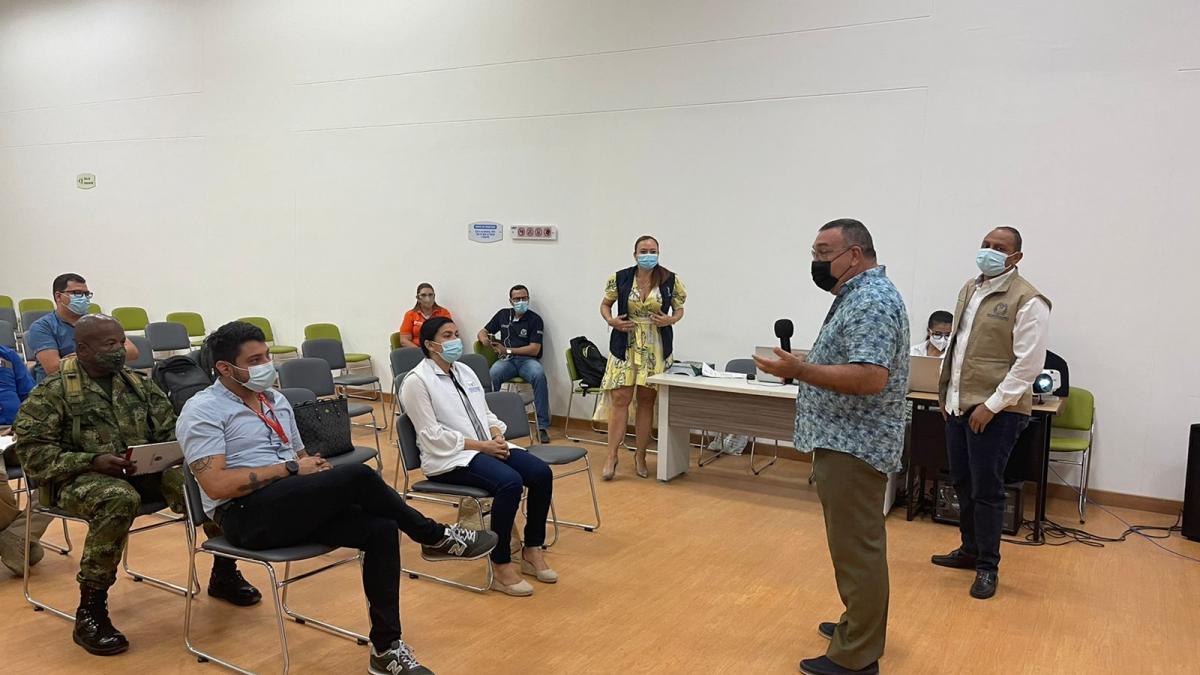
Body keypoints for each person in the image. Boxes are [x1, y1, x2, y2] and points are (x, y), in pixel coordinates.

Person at [179, 321, 498, 675]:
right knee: (359, 475)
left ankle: (386, 649)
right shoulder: (203, 410)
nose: (266, 365)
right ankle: (433, 535)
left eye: (267, 356)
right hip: (245, 517)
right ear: (225, 368)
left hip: (291, 505)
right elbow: (216, 485)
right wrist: (291, 469)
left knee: (380, 528)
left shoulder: (276, 401)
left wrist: (314, 471)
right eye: (255, 360)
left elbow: (300, 459)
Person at [12, 315, 258, 657]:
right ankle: (91, 610)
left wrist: (172, 451)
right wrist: (92, 460)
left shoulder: (138, 384)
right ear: (83, 349)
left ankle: (225, 571)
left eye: (120, 341)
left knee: (204, 482)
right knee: (118, 498)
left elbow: (170, 427)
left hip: (143, 472)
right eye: (108, 344)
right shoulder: (53, 393)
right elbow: (32, 454)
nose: (119, 349)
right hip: (76, 479)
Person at [755, 219, 909, 675]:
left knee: (857, 549)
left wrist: (801, 371)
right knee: (852, 547)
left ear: (854, 255)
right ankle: (857, 625)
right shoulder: (856, 295)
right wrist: (806, 364)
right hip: (844, 440)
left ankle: (857, 654)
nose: (816, 262)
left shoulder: (872, 300)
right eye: (815, 253)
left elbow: (870, 376)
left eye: (824, 253)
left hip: (854, 444)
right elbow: (852, 362)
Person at [933, 226, 1050, 600]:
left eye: (999, 247)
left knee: (987, 490)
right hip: (959, 405)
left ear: (1016, 257)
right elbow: (959, 346)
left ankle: (988, 567)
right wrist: (946, 392)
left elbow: (1028, 365)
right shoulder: (970, 288)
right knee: (962, 482)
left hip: (997, 411)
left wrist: (991, 405)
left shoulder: (1029, 300)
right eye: (986, 244)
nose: (989, 251)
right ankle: (969, 550)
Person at [401, 316, 556, 597]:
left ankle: (532, 550)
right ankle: (501, 565)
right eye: (447, 336)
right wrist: (482, 447)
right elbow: (431, 436)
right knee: (509, 482)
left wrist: (496, 434)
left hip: (485, 447)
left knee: (541, 473)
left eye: (456, 333)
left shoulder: (464, 371)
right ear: (430, 344)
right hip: (449, 458)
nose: (455, 340)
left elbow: (485, 414)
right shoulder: (417, 381)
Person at [597, 235, 686, 480]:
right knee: (621, 399)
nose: (648, 255)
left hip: (655, 345)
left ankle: (641, 455)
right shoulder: (620, 277)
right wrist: (611, 321)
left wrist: (671, 319)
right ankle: (611, 455)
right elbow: (605, 305)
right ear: (635, 254)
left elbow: (679, 309)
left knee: (646, 401)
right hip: (625, 342)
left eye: (653, 250)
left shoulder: (670, 279)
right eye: (643, 251)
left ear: (659, 253)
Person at [25, 273, 140, 382]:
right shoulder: (42, 327)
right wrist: (104, 356)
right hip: (60, 386)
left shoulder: (99, 322)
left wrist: (81, 358)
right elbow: (54, 367)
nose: (84, 298)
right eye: (77, 293)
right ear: (59, 296)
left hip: (99, 382)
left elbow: (132, 351)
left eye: (86, 294)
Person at [0, 343, 51, 575]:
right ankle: (19, 538)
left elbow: (32, 398)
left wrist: (25, 426)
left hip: (15, 434)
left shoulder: (6, 355)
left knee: (67, 472)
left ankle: (18, 535)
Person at [477, 284, 552, 444]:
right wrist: (484, 338)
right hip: (507, 361)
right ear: (511, 301)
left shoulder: (535, 319)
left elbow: (534, 349)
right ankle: (489, 423)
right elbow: (483, 331)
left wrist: (508, 350)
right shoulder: (503, 315)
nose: (521, 302)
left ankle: (542, 427)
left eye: (524, 298)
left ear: (528, 299)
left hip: (527, 361)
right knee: (492, 376)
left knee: (539, 375)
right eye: (517, 299)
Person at [399, 283, 452, 349]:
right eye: (423, 295)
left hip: (438, 350)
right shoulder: (410, 315)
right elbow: (404, 340)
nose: (428, 299)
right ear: (418, 298)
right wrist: (420, 352)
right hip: (417, 350)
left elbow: (449, 336)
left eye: (430, 295)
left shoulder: (443, 313)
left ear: (434, 296)